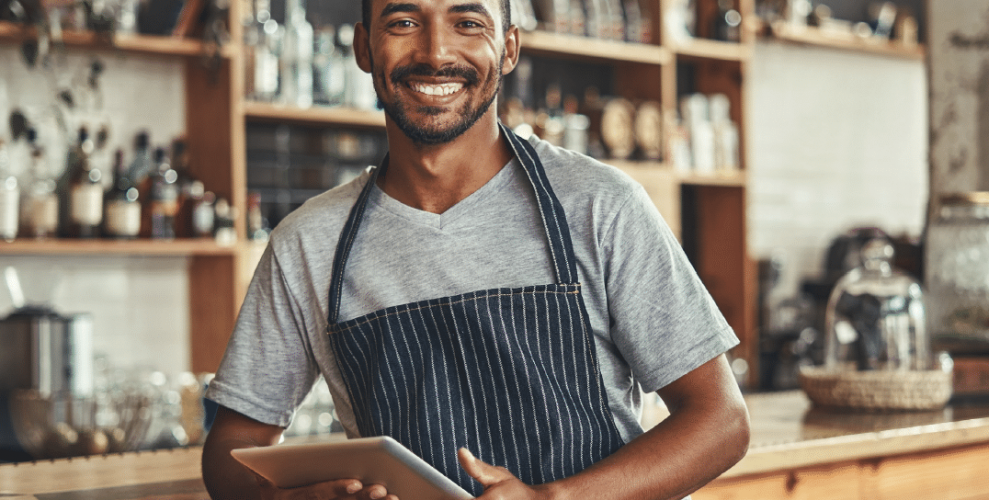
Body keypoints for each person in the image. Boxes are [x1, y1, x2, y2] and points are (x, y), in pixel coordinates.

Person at [201, 0, 750, 498]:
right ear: (363, 47)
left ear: (508, 48)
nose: (436, 52)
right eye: (403, 23)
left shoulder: (600, 206)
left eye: (467, 23)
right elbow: (230, 453)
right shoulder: (307, 244)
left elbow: (720, 421)